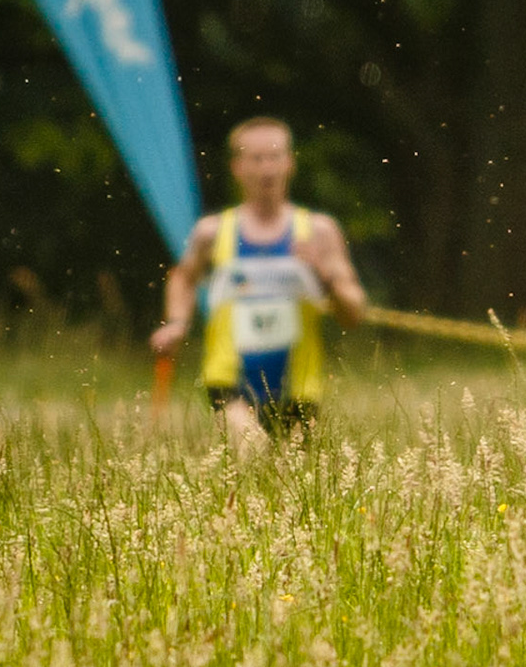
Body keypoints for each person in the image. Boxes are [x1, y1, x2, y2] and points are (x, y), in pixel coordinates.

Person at [150, 117, 367, 453]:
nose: (267, 169)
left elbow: (353, 313)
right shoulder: (213, 232)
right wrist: (178, 323)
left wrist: (324, 274)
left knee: (292, 479)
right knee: (252, 451)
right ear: (237, 167)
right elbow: (183, 277)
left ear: (290, 163)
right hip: (230, 381)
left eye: (275, 157)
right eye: (256, 159)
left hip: (299, 388)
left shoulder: (319, 232)